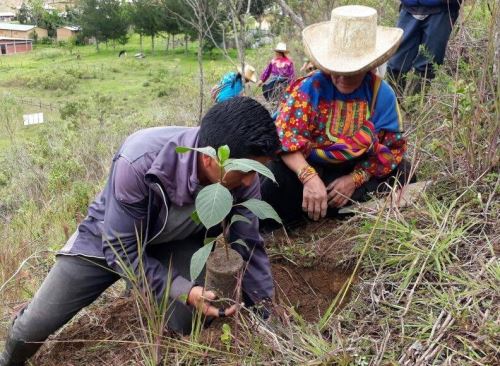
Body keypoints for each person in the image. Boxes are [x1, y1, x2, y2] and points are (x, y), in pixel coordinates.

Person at [0, 97, 280, 366]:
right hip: (108, 241)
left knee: (187, 319)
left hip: (174, 241)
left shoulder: (244, 176)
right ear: (211, 159)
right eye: (244, 171)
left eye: (257, 170)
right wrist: (182, 287)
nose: (250, 180)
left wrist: (263, 308)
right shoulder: (139, 159)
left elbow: (248, 241)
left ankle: (146, 287)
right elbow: (120, 249)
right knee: (35, 325)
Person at [261, 5, 416, 230]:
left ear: (369, 66)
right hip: (305, 169)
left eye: (351, 71)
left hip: (350, 171)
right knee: (274, 176)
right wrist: (308, 177)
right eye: (336, 69)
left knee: (403, 170)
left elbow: (392, 148)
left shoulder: (381, 96)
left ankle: (339, 211)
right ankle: (294, 218)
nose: (341, 77)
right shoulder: (308, 89)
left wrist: (355, 179)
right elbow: (284, 138)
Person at [387, 0, 462, 91]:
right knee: (396, 63)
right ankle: (394, 103)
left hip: (441, 9)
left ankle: (415, 103)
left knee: (427, 65)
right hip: (409, 7)